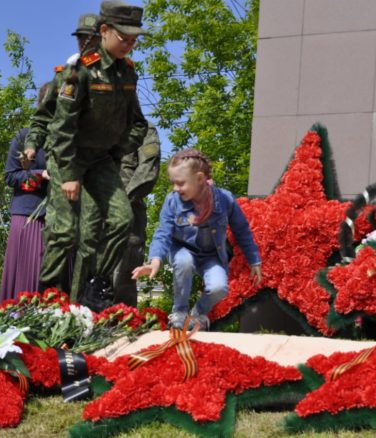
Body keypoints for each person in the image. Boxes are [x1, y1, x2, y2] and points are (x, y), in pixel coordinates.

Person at [30, 0, 148, 311]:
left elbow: (137, 122)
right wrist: (69, 174)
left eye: (134, 39)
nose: (129, 44)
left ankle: (96, 284)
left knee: (122, 220)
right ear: (105, 30)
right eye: (124, 37)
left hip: (101, 160)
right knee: (65, 231)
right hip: (69, 158)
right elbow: (62, 127)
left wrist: (118, 149)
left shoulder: (128, 73)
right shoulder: (79, 72)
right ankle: (47, 297)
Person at [132, 149, 263, 331]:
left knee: (219, 288)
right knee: (184, 262)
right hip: (184, 250)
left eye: (180, 183)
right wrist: (155, 260)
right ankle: (179, 312)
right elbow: (163, 233)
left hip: (212, 256)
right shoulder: (173, 201)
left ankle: (197, 314)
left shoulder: (224, 200)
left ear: (200, 179)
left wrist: (254, 260)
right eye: (173, 183)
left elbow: (242, 231)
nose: (175, 188)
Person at [23, 13, 102, 295]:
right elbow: (42, 118)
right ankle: (49, 299)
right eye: (81, 38)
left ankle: (81, 301)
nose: (85, 43)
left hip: (95, 169)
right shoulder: (68, 73)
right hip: (63, 167)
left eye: (90, 38)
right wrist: (32, 144)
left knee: (89, 237)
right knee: (59, 232)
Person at [0, 84, 51, 301]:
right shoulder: (24, 137)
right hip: (31, 216)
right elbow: (11, 176)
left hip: (66, 219)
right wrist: (41, 175)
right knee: (31, 283)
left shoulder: (74, 141)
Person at [112, 123, 161, 307]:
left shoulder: (144, 130)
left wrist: (121, 203)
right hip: (90, 219)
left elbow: (148, 170)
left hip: (127, 218)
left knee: (121, 286)